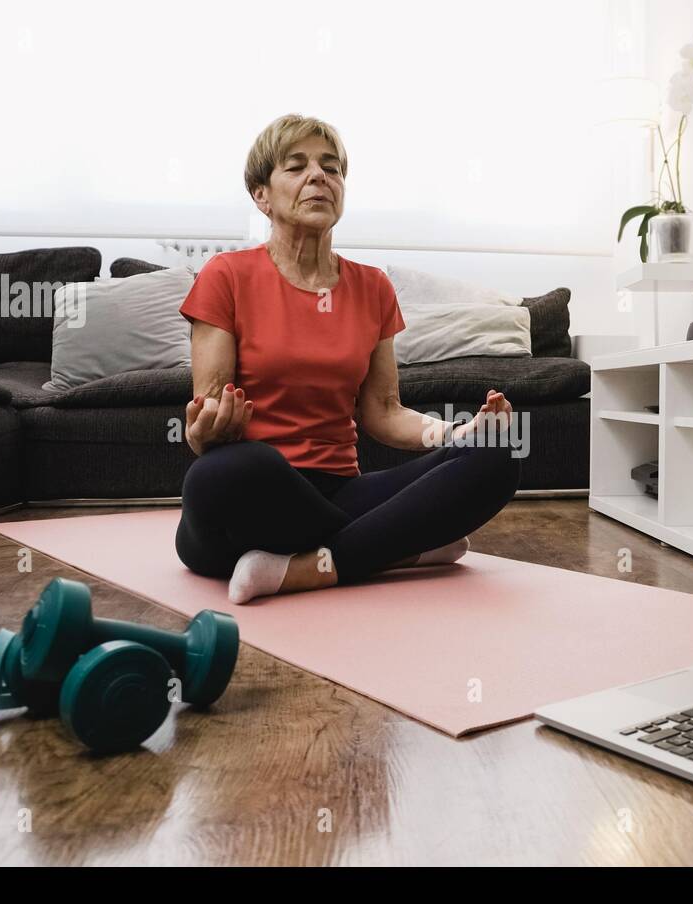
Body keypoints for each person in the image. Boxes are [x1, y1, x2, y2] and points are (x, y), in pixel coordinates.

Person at [174, 113, 522, 604]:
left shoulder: (372, 286)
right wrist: (202, 433)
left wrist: (455, 433)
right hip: (253, 497)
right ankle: (397, 545)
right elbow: (208, 413)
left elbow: (384, 412)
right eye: (296, 167)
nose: (319, 176)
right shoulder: (226, 275)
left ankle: (312, 568)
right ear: (262, 196)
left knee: (497, 457)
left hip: (339, 492)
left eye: (331, 167)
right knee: (225, 471)